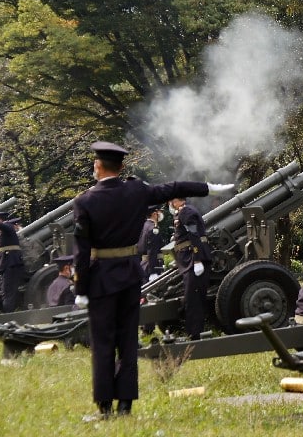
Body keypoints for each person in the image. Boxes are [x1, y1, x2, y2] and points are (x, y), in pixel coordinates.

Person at [71, 140, 234, 421]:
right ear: (121, 167)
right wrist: (207, 188)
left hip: (101, 279)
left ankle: (105, 408)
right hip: (130, 275)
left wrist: (81, 288)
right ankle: (125, 407)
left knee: (103, 343)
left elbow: (82, 250)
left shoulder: (84, 201)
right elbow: (172, 187)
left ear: (97, 166)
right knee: (127, 341)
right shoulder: (135, 190)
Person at [169, 194, 212, 341]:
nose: (170, 203)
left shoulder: (186, 212)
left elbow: (194, 236)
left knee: (194, 298)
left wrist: (197, 260)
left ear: (178, 200)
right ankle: (193, 332)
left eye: (172, 199)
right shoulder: (182, 212)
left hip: (193, 259)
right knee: (191, 297)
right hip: (187, 259)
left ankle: (195, 334)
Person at [0, 211, 25, 312]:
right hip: (6, 264)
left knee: (9, 293)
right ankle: (4, 313)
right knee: (5, 291)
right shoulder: (1, 231)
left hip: (11, 264)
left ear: (0, 219)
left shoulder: (8, 226)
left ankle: (8, 316)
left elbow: (5, 226)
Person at [139, 208, 164, 280]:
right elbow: (152, 250)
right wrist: (153, 271)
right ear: (154, 214)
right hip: (153, 265)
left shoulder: (143, 226)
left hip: (143, 264)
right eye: (159, 211)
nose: (161, 214)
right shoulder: (153, 229)